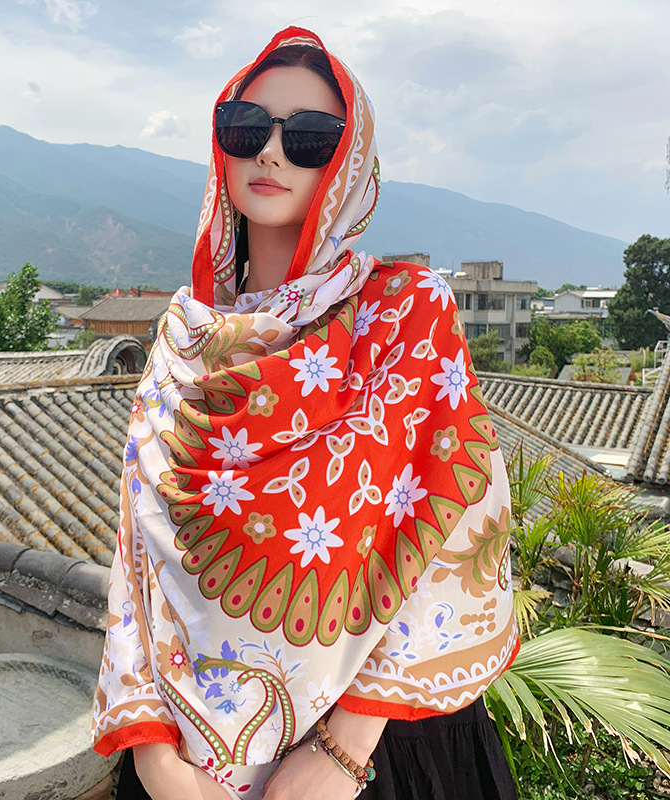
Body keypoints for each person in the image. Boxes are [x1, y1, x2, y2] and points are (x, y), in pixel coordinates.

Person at [91, 26, 519, 800]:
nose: (270, 152)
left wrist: (344, 750)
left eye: (311, 136)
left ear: (349, 161)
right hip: (186, 759)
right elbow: (136, 560)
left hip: (375, 751)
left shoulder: (402, 316)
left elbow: (454, 527)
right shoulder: (182, 343)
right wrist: (152, 754)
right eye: (246, 127)